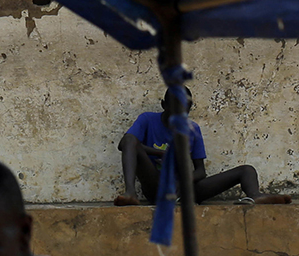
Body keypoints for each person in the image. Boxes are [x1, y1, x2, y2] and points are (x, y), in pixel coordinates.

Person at [113, 87, 291, 206]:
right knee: (130, 140)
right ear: (164, 105)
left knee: (247, 170)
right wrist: (162, 153)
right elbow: (125, 143)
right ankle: (130, 194)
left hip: (183, 188)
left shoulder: (192, 130)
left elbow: (200, 171)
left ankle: (256, 196)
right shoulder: (147, 119)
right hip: (156, 185)